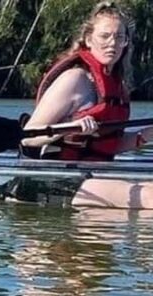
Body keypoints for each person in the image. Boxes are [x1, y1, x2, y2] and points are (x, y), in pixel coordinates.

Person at [20, 1, 153, 209]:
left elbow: (111, 144)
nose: (112, 43)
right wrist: (69, 126)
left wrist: (148, 133)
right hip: (55, 180)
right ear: (89, 40)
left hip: (93, 176)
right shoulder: (75, 79)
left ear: (126, 42)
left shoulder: (117, 87)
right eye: (105, 36)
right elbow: (29, 138)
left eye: (119, 37)